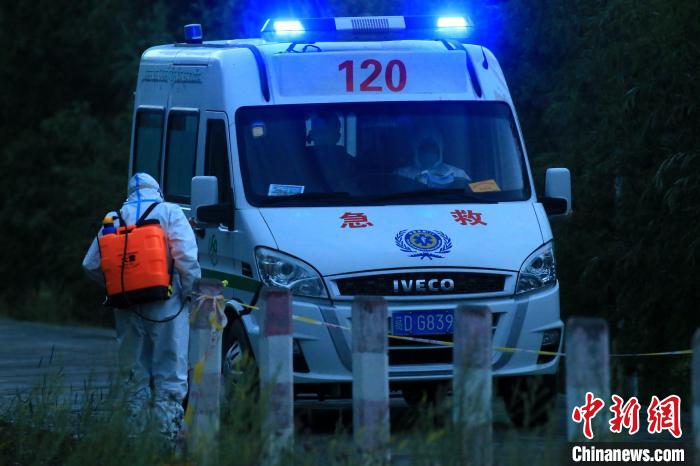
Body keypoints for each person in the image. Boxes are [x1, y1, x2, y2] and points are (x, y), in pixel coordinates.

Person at [82, 172, 200, 441]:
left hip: (126, 306)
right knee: (170, 373)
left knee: (133, 374)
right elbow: (186, 259)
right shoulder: (169, 212)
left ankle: (134, 439)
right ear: (157, 190)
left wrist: (116, 285)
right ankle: (165, 438)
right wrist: (191, 294)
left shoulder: (113, 219)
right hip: (167, 305)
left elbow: (90, 264)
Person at [396, 131, 471, 187]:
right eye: (424, 149)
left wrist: (453, 183)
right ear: (416, 150)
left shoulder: (458, 173)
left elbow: (472, 192)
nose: (428, 154)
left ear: (439, 150)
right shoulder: (402, 174)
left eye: (432, 149)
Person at [306, 112, 356, 186]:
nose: (323, 136)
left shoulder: (298, 162)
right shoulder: (352, 163)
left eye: (327, 132)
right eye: (320, 132)